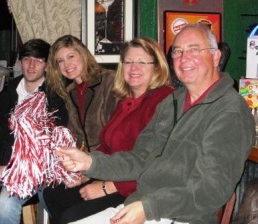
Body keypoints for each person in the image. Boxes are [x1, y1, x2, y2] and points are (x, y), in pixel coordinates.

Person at [56, 24, 256, 224]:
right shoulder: (173, 101)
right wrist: (89, 162)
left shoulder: (229, 111)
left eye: (194, 50)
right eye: (178, 51)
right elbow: (141, 157)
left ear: (215, 57)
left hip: (182, 217)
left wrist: (149, 207)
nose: (184, 58)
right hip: (142, 205)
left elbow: (213, 189)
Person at [43, 37, 174, 223]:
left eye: (142, 62)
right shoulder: (127, 101)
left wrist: (107, 186)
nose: (133, 68)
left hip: (136, 188)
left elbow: (155, 163)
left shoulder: (164, 100)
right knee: (53, 194)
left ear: (157, 66)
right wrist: (85, 172)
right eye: (128, 62)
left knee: (70, 216)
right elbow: (106, 145)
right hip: (108, 170)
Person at [0, 39, 68, 224]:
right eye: (27, 59)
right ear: (20, 62)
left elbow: (47, 150)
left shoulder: (54, 99)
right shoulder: (8, 93)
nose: (32, 66)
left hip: (33, 170)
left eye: (38, 60)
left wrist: (9, 170)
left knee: (4, 205)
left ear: (47, 66)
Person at [46, 34, 118, 152]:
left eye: (71, 56)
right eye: (60, 61)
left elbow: (119, 128)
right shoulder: (67, 92)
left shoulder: (109, 80)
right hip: (83, 162)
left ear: (83, 54)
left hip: (110, 158)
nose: (66, 64)